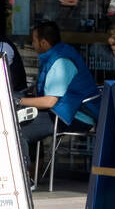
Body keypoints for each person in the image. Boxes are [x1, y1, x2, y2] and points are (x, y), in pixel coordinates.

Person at [16, 20, 100, 166]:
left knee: (17, 129)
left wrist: (18, 101)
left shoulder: (61, 61)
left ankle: (23, 179)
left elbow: (49, 101)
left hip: (76, 117)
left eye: (34, 40)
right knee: (17, 116)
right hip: (60, 112)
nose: (32, 44)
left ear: (43, 43)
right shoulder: (53, 56)